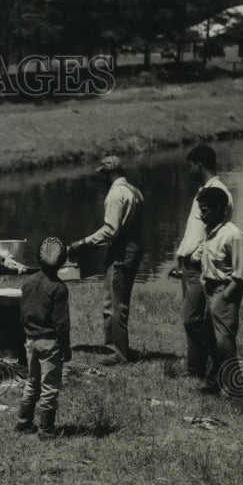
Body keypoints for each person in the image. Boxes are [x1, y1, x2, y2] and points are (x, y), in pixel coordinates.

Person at [68, 155, 143, 366]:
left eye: (103, 173)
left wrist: (82, 243)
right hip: (133, 247)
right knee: (112, 298)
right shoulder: (134, 190)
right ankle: (113, 345)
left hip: (122, 250)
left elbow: (111, 229)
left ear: (109, 171)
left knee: (118, 301)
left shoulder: (115, 194)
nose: (102, 177)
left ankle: (120, 353)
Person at [174, 144, 235, 378]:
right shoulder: (210, 189)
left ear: (198, 163)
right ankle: (195, 367)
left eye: (190, 164)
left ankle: (213, 363)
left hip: (200, 263)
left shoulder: (215, 192)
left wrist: (191, 256)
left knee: (193, 319)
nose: (188, 169)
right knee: (194, 317)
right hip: (191, 261)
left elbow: (209, 233)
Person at [196, 186, 243, 398]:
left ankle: (236, 390)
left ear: (220, 209)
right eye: (200, 210)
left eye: (206, 210)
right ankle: (213, 381)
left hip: (225, 290)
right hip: (210, 289)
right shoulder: (210, 230)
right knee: (210, 338)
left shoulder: (233, 235)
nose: (202, 215)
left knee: (224, 342)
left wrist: (227, 294)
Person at [16, 237, 72, 437]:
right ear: (62, 261)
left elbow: (22, 315)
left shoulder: (28, 282)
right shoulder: (58, 288)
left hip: (30, 340)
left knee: (32, 380)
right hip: (50, 343)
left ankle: (24, 421)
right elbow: (62, 324)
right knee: (50, 385)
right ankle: (46, 428)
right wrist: (65, 347)